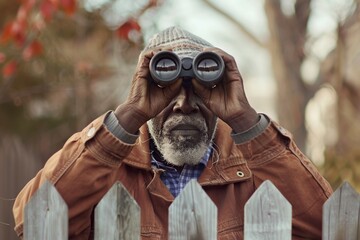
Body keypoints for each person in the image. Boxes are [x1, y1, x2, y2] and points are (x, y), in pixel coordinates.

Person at [13, 26, 332, 239]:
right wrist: (129, 113)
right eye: (166, 88)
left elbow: (326, 227)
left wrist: (245, 119)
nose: (184, 104)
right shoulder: (104, 173)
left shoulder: (255, 173)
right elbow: (35, 224)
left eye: (200, 90)